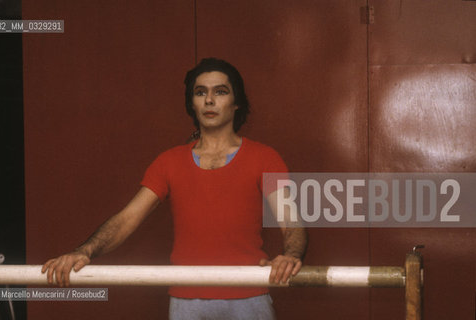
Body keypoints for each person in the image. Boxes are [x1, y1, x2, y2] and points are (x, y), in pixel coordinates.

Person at [42, 57, 307, 319]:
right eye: (200, 92)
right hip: (186, 299)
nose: (210, 100)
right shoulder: (168, 162)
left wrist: (290, 255)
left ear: (236, 103)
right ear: (192, 103)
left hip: (249, 296)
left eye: (221, 92)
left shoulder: (265, 158)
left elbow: (291, 220)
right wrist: (83, 251)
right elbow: (126, 219)